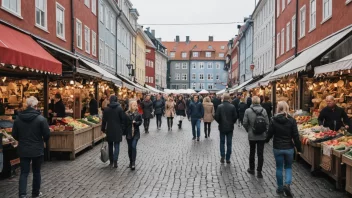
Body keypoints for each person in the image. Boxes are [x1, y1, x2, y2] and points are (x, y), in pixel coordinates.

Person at [12, 96, 50, 198]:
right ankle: (35, 193)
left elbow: (14, 134)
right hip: (37, 148)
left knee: (24, 172)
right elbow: (47, 134)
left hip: (23, 149)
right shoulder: (41, 119)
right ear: (35, 106)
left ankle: (22, 194)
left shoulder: (18, 119)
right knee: (36, 172)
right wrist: (42, 140)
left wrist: (22, 140)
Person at [266, 101, 302, 196]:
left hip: (277, 147)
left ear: (278, 108)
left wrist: (265, 140)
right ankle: (287, 184)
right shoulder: (292, 120)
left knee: (279, 168)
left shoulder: (273, 120)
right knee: (288, 167)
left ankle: (280, 188)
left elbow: (269, 133)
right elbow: (296, 136)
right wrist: (299, 148)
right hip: (289, 147)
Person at [243, 96, 269, 178]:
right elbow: (267, 123)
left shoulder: (248, 111)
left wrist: (249, 130)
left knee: (252, 152)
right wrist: (265, 131)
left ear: (252, 102)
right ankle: (259, 171)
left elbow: (245, 123)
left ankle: (251, 168)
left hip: (252, 135)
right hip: (262, 135)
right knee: (260, 153)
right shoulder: (264, 110)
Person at [101, 95, 124, 168]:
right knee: (117, 146)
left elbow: (104, 121)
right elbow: (122, 120)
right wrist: (122, 129)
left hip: (109, 129)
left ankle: (111, 161)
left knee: (110, 146)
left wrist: (103, 129)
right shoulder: (120, 109)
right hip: (117, 130)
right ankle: (115, 161)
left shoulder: (106, 109)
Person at [215, 93, 237, 163]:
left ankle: (222, 155)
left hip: (222, 127)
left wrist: (220, 122)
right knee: (229, 143)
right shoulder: (232, 107)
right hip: (230, 127)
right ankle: (228, 158)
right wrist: (232, 122)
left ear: (223, 98)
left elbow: (217, 117)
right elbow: (235, 117)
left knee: (222, 142)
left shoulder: (219, 106)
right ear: (229, 99)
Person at [123, 100, 143, 170]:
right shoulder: (126, 113)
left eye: (136, 105)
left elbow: (140, 122)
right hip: (128, 133)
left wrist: (136, 123)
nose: (135, 106)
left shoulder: (138, 113)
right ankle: (131, 162)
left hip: (136, 133)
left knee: (133, 146)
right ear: (130, 106)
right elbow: (124, 123)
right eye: (134, 105)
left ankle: (133, 163)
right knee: (129, 148)